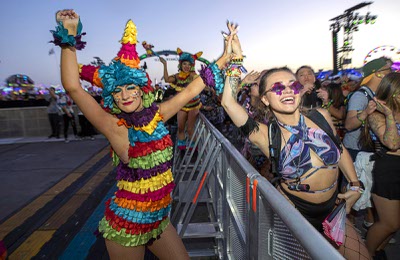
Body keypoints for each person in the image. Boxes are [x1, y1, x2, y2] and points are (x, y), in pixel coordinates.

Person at [52, 9, 231, 259]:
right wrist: (69, 35)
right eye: (117, 91)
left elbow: (191, 91)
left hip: (158, 219)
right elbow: (73, 87)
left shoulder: (157, 114)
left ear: (141, 89)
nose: (124, 96)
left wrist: (224, 58)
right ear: (111, 96)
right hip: (128, 224)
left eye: (130, 88)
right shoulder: (114, 126)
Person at [220, 23, 369, 259]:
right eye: (277, 88)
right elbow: (228, 102)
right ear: (266, 100)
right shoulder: (265, 134)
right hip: (295, 214)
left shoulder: (320, 116)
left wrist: (355, 185)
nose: (287, 90)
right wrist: (236, 58)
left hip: (333, 209)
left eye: (293, 85)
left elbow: (339, 151)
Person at [361, 72, 400, 258]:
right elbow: (392, 143)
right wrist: (390, 115)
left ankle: (378, 250)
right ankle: (366, 254)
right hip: (390, 170)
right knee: (389, 223)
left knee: (396, 224)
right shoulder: (376, 114)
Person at [159, 48, 203, 153]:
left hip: (193, 105)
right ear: (180, 65)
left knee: (190, 129)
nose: (186, 66)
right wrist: (164, 65)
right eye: (184, 64)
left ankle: (194, 151)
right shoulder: (177, 76)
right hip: (182, 106)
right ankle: (182, 151)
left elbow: (200, 80)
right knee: (180, 128)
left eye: (189, 64)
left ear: (191, 66)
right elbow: (166, 79)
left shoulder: (193, 75)